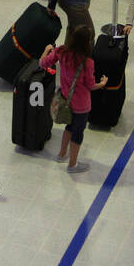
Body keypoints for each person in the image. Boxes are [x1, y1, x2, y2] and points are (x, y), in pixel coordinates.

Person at [39, 25, 106, 174]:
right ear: (87, 42)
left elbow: (42, 63)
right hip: (82, 106)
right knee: (78, 133)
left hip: (65, 101)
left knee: (68, 127)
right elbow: (90, 85)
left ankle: (62, 154)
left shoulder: (62, 52)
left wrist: (46, 50)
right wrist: (102, 84)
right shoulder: (87, 62)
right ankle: (72, 164)